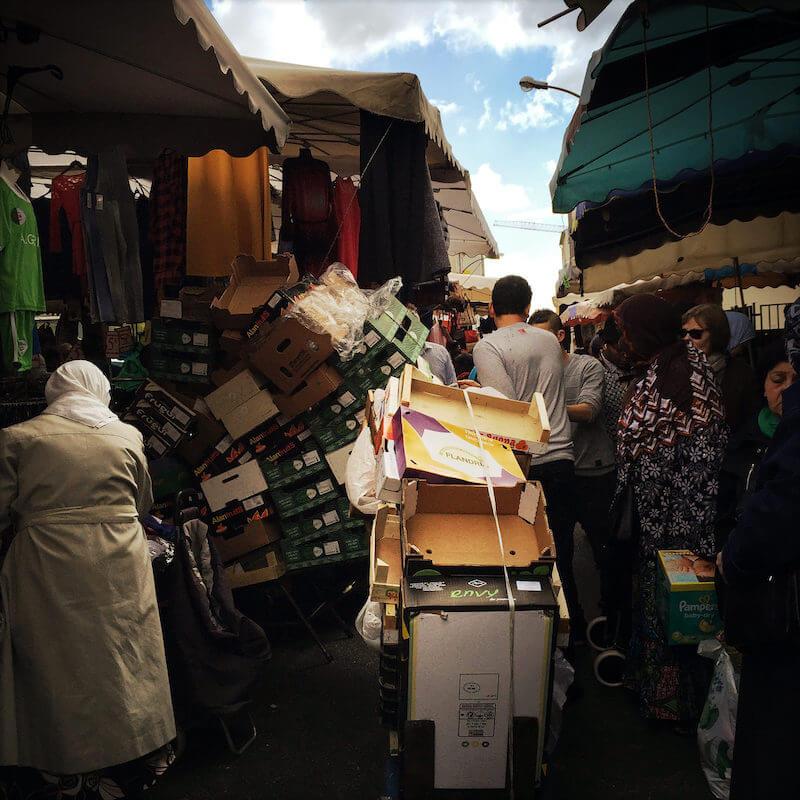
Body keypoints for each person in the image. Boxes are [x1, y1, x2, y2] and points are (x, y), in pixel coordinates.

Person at [0, 361, 175, 798]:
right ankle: (140, 749)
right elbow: (144, 500)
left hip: (47, 563)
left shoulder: (18, 438)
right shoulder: (127, 436)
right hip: (121, 560)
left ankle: (62, 765)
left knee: (55, 661)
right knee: (128, 656)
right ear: (99, 389)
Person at [614, 295, 727, 725]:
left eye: (629, 330)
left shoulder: (684, 375)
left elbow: (699, 454)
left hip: (677, 523)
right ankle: (653, 692)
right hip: (657, 519)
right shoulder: (666, 366)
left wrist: (675, 525)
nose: (625, 340)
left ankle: (675, 706)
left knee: (675, 613)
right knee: (655, 608)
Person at [719, 300, 800, 800]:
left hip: (785, 618)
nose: (786, 389)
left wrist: (735, 556)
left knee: (775, 746)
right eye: (777, 378)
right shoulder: (750, 433)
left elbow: (779, 513)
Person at [472, 277, 577, 626]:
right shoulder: (549, 340)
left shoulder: (487, 347)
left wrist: (478, 394)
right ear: (528, 308)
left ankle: (537, 633)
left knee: (527, 554)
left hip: (523, 467)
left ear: (491, 309)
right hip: (562, 457)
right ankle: (571, 633)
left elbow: (507, 408)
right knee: (561, 550)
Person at [530, 309, 616, 641]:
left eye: (543, 338)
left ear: (560, 337)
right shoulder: (535, 375)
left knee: (604, 552)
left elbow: (590, 410)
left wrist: (545, 408)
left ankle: (611, 622)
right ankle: (574, 624)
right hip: (556, 476)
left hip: (595, 472)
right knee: (559, 553)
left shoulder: (587, 366)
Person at [716, 338, 797, 548]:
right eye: (778, 379)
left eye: (797, 381)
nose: (787, 389)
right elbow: (725, 512)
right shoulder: (742, 440)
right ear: (763, 385)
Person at [681, 303, 759, 431]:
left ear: (716, 334)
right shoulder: (677, 370)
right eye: (683, 333)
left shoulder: (741, 373)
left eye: (695, 333)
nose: (686, 339)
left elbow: (750, 420)